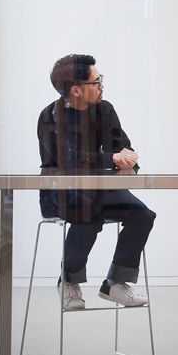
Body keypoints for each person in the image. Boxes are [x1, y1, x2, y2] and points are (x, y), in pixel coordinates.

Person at [37, 54, 156, 312]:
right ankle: (69, 281)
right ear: (76, 90)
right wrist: (112, 157)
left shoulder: (105, 110)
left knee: (143, 216)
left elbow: (121, 145)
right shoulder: (50, 116)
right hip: (62, 193)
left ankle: (115, 282)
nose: (102, 85)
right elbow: (69, 161)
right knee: (87, 216)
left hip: (100, 190)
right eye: (97, 81)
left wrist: (127, 159)